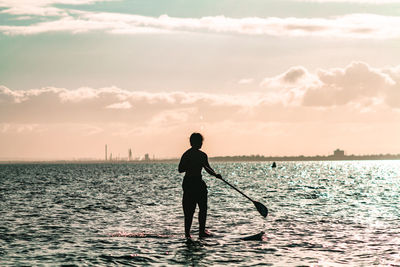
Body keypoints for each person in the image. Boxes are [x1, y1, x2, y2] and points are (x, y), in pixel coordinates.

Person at [178, 133, 222, 239]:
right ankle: (188, 234)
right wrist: (191, 164)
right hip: (190, 183)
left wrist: (216, 175)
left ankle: (201, 231)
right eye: (200, 142)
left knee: (203, 208)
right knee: (189, 210)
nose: (201, 144)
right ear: (194, 142)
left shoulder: (202, 155)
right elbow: (180, 169)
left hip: (198, 182)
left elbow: (207, 168)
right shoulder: (187, 155)